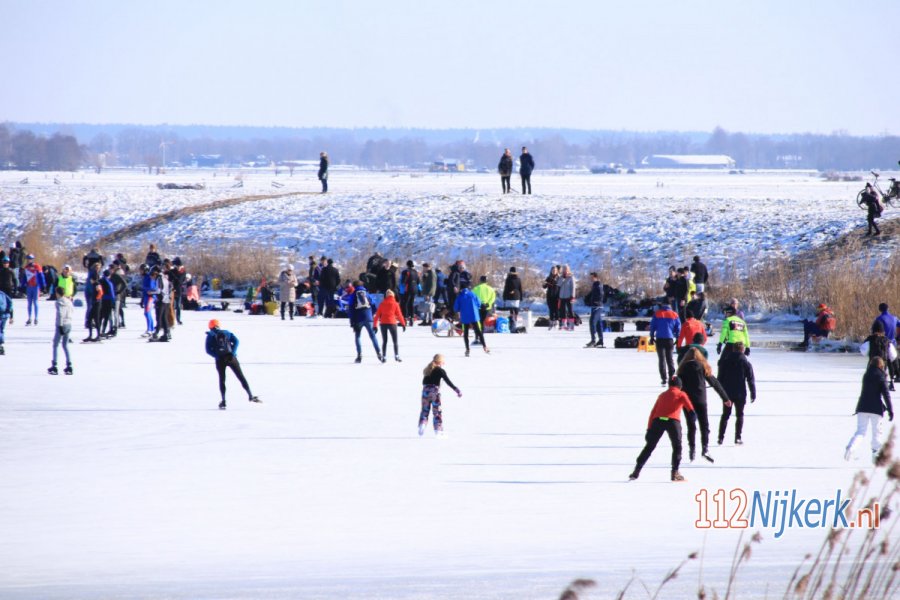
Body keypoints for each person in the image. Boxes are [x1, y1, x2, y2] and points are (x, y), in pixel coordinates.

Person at [629, 376, 694, 482]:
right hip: (673, 422)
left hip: (657, 421)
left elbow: (653, 413)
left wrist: (649, 429)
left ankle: (636, 471)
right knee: (677, 447)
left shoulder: (662, 395)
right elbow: (690, 408)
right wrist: (693, 416)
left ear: (669, 385)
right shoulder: (681, 394)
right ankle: (675, 473)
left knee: (649, 447)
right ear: (680, 386)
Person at [677, 347, 731, 463]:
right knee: (704, 425)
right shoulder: (703, 367)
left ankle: (692, 450)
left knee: (691, 426)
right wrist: (725, 398)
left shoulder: (682, 368)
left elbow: (676, 386)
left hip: (687, 401)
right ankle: (705, 449)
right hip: (700, 399)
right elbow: (715, 383)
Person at [844, 357, 893, 461]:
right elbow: (886, 394)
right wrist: (890, 409)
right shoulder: (881, 376)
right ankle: (875, 454)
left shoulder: (866, 375)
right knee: (876, 432)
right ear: (881, 365)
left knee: (860, 432)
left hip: (862, 406)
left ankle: (851, 447)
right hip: (876, 409)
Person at [205, 319, 261, 410]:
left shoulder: (210, 335)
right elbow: (237, 341)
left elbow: (208, 350)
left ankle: (223, 401)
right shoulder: (226, 332)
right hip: (231, 358)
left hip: (220, 360)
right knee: (241, 377)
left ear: (210, 327)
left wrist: (217, 356)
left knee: (222, 380)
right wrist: (233, 353)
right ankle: (250, 395)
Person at [717, 342, 756, 445]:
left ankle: (720, 437)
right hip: (740, 393)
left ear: (733, 349)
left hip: (727, 393)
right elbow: (750, 380)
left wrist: (720, 392)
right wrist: (753, 392)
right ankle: (738, 437)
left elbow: (719, 378)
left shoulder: (725, 362)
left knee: (725, 415)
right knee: (740, 415)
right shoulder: (746, 363)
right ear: (743, 350)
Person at [419, 354, 462, 437]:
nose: (444, 363)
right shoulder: (440, 370)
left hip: (425, 392)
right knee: (437, 412)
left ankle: (422, 426)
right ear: (440, 362)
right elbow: (448, 381)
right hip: (435, 392)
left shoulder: (427, 369)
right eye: (443, 362)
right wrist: (456, 390)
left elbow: (423, 382)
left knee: (425, 411)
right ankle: (438, 431)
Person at [348, 281, 383, 363]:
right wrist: (371, 314)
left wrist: (352, 321)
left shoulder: (353, 295)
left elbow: (351, 309)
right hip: (368, 318)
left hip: (358, 318)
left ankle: (359, 355)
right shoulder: (367, 294)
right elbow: (374, 305)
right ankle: (379, 353)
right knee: (373, 336)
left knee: (358, 337)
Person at [453, 283, 489, 357]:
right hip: (474, 316)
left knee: (466, 333)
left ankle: (467, 349)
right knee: (478, 331)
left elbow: (456, 308)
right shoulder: (473, 294)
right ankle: (485, 347)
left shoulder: (459, 296)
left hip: (465, 317)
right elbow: (479, 304)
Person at [649, 303, 681, 386]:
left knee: (661, 359)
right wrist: (677, 338)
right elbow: (678, 328)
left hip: (659, 339)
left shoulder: (657, 314)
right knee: (670, 359)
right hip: (669, 339)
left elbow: (652, 326)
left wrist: (652, 336)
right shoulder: (674, 315)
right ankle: (671, 376)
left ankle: (663, 379)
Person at [373, 289, 406, 362]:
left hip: (383, 323)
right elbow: (399, 315)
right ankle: (396, 356)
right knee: (395, 341)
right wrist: (403, 324)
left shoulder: (382, 304)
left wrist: (375, 326)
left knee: (384, 341)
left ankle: (384, 357)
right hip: (392, 323)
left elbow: (377, 316)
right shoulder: (395, 304)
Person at [48, 286, 74, 375]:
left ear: (57, 293)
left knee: (55, 345)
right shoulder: (69, 301)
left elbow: (60, 314)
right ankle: (69, 365)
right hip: (69, 324)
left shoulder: (58, 302)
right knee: (65, 345)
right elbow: (72, 311)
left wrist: (60, 326)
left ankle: (54, 365)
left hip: (61, 324)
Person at [21, 254, 45, 326]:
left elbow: (41, 276)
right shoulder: (26, 267)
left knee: (35, 302)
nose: (29, 260)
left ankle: (36, 318)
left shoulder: (37, 266)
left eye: (30, 259)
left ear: (33, 259)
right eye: (28, 259)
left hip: (36, 287)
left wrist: (43, 285)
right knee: (29, 303)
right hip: (29, 287)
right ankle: (29, 318)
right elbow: (24, 277)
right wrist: (22, 285)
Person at [584, 272, 605, 348]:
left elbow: (601, 295)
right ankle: (601, 340)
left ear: (596, 277)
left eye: (592, 277)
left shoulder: (598, 284)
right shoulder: (595, 285)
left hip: (597, 306)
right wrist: (588, 299)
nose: (591, 279)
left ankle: (593, 340)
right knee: (598, 324)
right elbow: (592, 294)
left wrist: (596, 302)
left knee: (592, 322)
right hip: (595, 306)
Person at [501, 267, 522, 332]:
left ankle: (511, 324)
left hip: (509, 296)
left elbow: (506, 288)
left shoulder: (508, 279)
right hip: (517, 296)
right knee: (516, 311)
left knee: (511, 311)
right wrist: (521, 297)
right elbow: (520, 288)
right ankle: (516, 323)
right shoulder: (518, 279)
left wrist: (504, 297)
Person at [558, 265, 576, 331]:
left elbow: (573, 287)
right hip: (562, 296)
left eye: (566, 269)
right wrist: (562, 278)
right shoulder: (560, 277)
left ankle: (571, 325)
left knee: (570, 310)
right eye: (564, 269)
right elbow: (558, 285)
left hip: (569, 297)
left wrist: (573, 296)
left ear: (568, 270)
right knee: (562, 311)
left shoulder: (571, 277)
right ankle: (563, 324)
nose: (565, 270)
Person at [0, 287, 13, 356]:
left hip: (1, 315)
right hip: (5, 315)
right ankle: (1, 345)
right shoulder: (2, 293)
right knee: (1, 330)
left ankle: (0, 346)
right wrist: (10, 314)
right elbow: (10, 302)